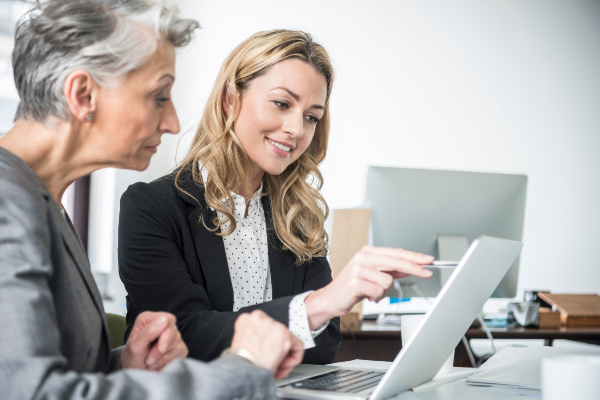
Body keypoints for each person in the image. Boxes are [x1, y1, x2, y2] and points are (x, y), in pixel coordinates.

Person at [0, 1, 304, 399]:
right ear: (83, 95)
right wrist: (243, 364)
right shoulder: (8, 204)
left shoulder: (42, 200)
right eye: (159, 96)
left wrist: (126, 363)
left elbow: (42, 373)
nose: (173, 122)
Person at [118, 29, 435, 365]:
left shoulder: (296, 216)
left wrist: (312, 314)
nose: (297, 130)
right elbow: (183, 337)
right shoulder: (152, 207)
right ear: (230, 101)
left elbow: (326, 343)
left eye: (311, 116)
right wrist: (314, 307)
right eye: (282, 104)